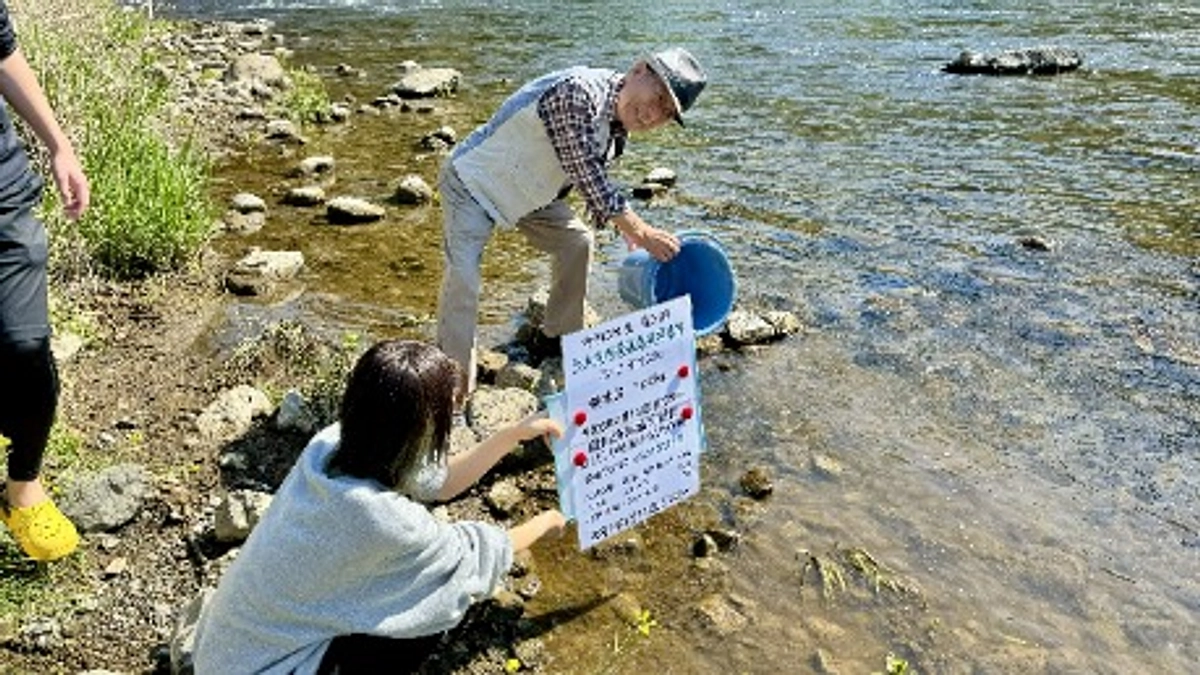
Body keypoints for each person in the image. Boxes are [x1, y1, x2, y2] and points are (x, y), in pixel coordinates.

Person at [192, 340, 567, 674]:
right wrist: (545, 523)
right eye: (446, 417)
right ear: (416, 430)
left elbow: (441, 482)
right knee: (430, 603)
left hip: (224, 650)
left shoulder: (330, 445)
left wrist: (513, 434)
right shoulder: (380, 520)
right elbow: (468, 560)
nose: (449, 425)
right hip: (268, 666)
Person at [437, 47, 707, 391]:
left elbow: (588, 181)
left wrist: (624, 227)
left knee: (577, 241)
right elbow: (587, 173)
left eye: (667, 113)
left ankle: (559, 337)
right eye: (657, 98)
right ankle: (453, 387)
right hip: (474, 182)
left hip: (532, 194)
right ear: (638, 69)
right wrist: (641, 230)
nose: (653, 115)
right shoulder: (577, 93)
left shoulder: (618, 123)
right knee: (464, 279)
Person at [0, 0, 91, 562]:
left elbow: (3, 53)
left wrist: (59, 144)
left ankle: (22, 486)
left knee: (25, 344)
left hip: (3, 195)